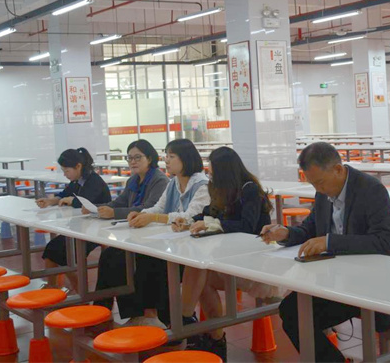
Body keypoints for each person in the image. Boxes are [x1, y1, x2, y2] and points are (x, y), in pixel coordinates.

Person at [260, 142, 390, 362]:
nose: (318, 189)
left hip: (372, 283)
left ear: (338, 169)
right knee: (292, 311)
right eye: (312, 184)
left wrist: (329, 242)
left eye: (320, 182)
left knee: (298, 314)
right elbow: (309, 229)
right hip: (338, 281)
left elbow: (384, 242)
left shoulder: (371, 190)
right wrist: (285, 233)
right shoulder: (323, 194)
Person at [173, 146, 275, 360]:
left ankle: (186, 322)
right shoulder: (222, 190)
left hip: (256, 262)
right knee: (201, 275)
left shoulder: (249, 190)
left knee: (199, 269)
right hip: (231, 257)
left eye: (213, 171)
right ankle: (212, 337)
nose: (210, 175)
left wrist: (211, 223)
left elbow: (247, 226)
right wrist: (189, 221)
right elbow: (208, 212)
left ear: (225, 172)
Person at [122, 139, 210, 327]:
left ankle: (173, 319)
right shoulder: (173, 183)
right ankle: (153, 316)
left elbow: (189, 217)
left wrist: (153, 218)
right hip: (176, 241)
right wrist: (141, 213)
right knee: (144, 256)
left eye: (171, 156)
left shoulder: (202, 185)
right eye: (166, 156)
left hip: (195, 248)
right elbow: (159, 207)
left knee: (158, 263)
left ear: (186, 158)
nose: (166, 161)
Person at [93, 140, 170, 324]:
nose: (133, 162)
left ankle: (136, 314)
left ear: (149, 158)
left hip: (153, 235)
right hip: (135, 232)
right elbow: (119, 202)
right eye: (130, 158)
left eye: (137, 157)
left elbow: (148, 208)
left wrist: (114, 213)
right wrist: (97, 208)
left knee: (120, 260)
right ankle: (101, 310)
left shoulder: (160, 180)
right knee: (108, 256)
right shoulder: (133, 180)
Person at [36, 148, 111, 291]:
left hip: (95, 229)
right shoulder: (77, 181)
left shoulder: (94, 181)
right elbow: (64, 194)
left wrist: (71, 200)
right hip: (79, 226)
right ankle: (52, 286)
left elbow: (84, 203)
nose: (65, 174)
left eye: (67, 170)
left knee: (66, 256)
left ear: (78, 166)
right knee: (51, 249)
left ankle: (80, 290)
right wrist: (49, 201)